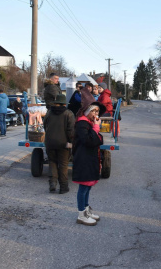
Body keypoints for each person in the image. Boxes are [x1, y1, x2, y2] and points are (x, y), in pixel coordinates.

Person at [72, 88, 106, 226]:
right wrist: (96, 129)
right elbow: (88, 140)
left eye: (97, 111)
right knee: (83, 188)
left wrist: (96, 129)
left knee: (88, 187)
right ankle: (81, 214)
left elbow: (99, 140)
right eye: (94, 111)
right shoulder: (82, 123)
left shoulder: (90, 123)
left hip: (89, 159)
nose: (96, 114)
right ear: (87, 111)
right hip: (83, 159)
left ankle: (86, 209)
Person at [44, 94, 75, 194]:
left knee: (52, 162)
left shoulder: (49, 112)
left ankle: (52, 183)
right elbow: (71, 131)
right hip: (63, 143)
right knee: (63, 165)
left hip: (50, 142)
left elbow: (45, 126)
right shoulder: (68, 113)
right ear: (64, 103)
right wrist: (71, 142)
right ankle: (63, 187)